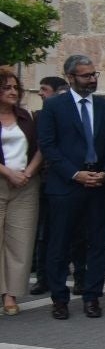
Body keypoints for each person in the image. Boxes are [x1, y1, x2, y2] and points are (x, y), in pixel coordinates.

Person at [37, 54, 105, 320]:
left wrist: (104, 173)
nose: (92, 79)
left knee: (97, 244)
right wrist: (75, 174)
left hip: (100, 186)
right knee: (59, 244)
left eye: (95, 74)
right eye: (86, 75)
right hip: (66, 185)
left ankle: (92, 296)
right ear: (70, 77)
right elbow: (48, 146)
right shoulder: (54, 107)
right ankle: (59, 298)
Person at [0, 67, 41, 315]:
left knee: (20, 241)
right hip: (3, 179)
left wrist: (28, 172)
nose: (13, 91)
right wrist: (8, 173)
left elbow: (40, 148)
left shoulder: (25, 117)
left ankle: (10, 295)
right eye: (6, 87)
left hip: (26, 186)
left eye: (15, 87)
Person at [29, 77, 69, 296]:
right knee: (43, 234)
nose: (41, 94)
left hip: (64, 181)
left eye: (44, 90)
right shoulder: (37, 116)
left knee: (64, 233)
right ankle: (42, 277)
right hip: (43, 181)